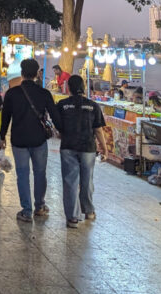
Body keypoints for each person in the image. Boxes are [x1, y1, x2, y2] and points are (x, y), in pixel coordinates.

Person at [0, 58, 61, 222]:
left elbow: (5, 117)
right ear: (36, 74)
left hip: (19, 139)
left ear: (21, 73)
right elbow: (55, 117)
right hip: (39, 139)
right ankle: (40, 206)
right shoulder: (44, 94)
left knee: (22, 174)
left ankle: (26, 211)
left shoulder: (12, 93)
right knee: (40, 173)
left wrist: (1, 136)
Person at [56, 75, 107, 228]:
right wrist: (104, 148)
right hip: (88, 148)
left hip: (68, 147)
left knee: (70, 181)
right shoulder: (93, 105)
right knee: (87, 180)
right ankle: (89, 211)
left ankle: (72, 218)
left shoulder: (62, 104)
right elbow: (98, 130)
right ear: (84, 88)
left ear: (68, 88)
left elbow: (58, 127)